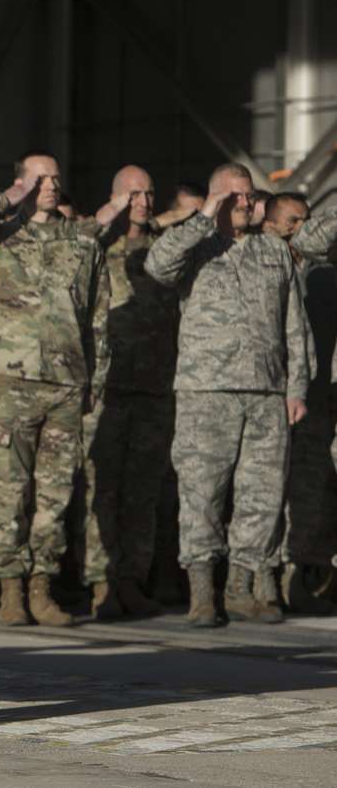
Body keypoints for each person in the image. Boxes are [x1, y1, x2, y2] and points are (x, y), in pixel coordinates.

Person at [145, 163, 313, 627]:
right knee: (203, 491)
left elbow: (294, 326)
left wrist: (296, 386)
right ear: (215, 199)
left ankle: (243, 585)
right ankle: (203, 590)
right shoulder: (195, 245)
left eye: (249, 195)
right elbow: (157, 265)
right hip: (206, 390)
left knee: (262, 493)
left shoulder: (274, 251)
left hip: (266, 390)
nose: (245, 203)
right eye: (234, 196)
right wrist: (203, 218)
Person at [0, 150, 109, 628]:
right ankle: (10, 586)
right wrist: (12, 197)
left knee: (54, 493)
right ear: (20, 183)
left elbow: (98, 318)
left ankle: (42, 586)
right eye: (38, 178)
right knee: (7, 491)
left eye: (54, 177)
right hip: (7, 380)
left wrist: (96, 381)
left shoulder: (83, 243)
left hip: (66, 382)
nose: (49, 185)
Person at [80, 165, 177, 618]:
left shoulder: (164, 247)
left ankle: (132, 579)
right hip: (109, 386)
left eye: (149, 193)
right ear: (116, 196)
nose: (143, 201)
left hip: (155, 385)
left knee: (143, 491)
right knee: (103, 489)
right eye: (134, 193)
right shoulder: (100, 242)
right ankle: (101, 583)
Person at [266, 193, 337, 613]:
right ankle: (296, 574)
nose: (299, 228)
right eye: (293, 221)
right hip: (310, 391)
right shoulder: (299, 266)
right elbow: (311, 236)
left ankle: (317, 573)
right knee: (305, 486)